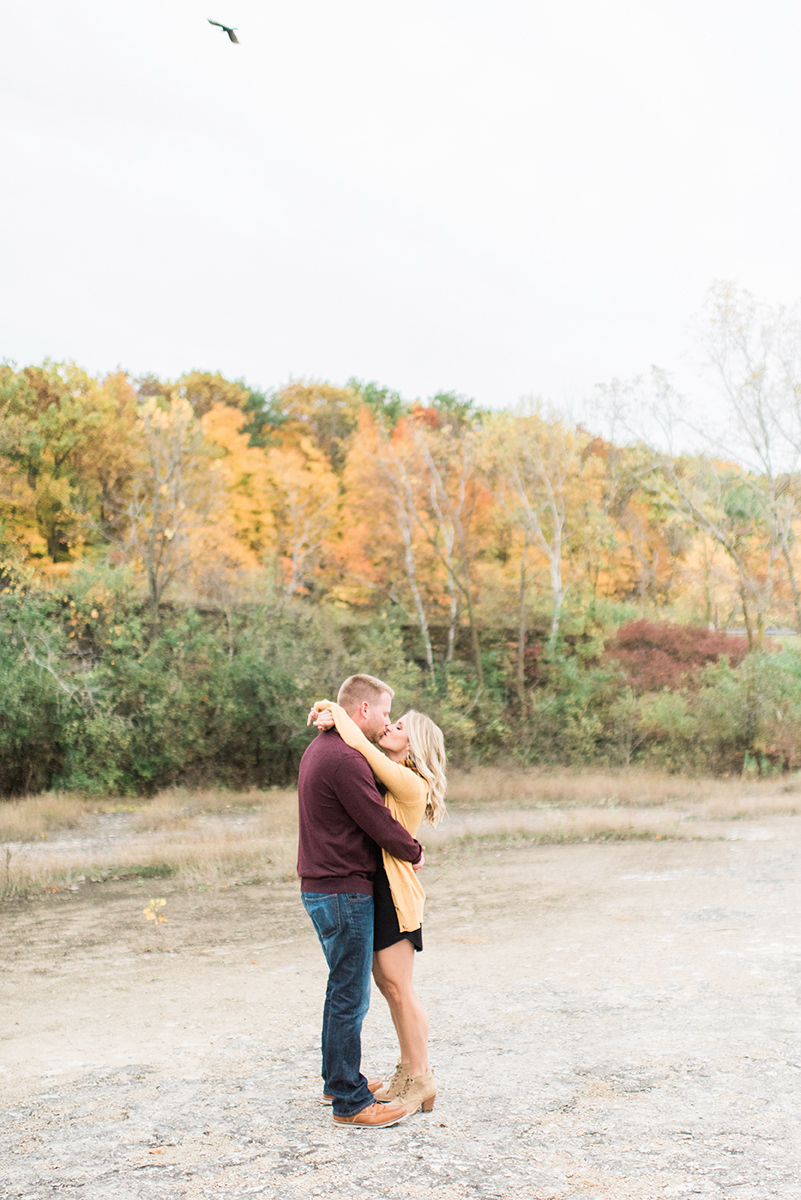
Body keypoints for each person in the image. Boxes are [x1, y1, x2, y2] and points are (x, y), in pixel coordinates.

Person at [297, 673, 425, 1129]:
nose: (388, 721)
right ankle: (350, 1101)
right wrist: (415, 851)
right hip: (343, 889)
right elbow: (377, 820)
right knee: (351, 995)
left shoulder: (323, 748)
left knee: (342, 987)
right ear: (364, 711)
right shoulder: (346, 760)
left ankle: (339, 1079)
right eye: (386, 712)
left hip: (322, 884)